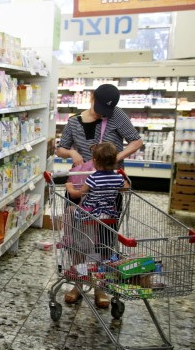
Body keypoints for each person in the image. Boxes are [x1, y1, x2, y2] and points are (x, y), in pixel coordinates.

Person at [56, 84, 143, 308]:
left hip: (108, 186)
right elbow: (60, 149)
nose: (105, 112)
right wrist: (72, 152)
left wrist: (114, 159)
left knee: (104, 238)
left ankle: (100, 286)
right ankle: (78, 281)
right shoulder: (75, 121)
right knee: (77, 238)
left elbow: (137, 140)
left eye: (108, 108)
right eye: (101, 106)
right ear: (92, 97)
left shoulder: (117, 115)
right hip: (79, 186)